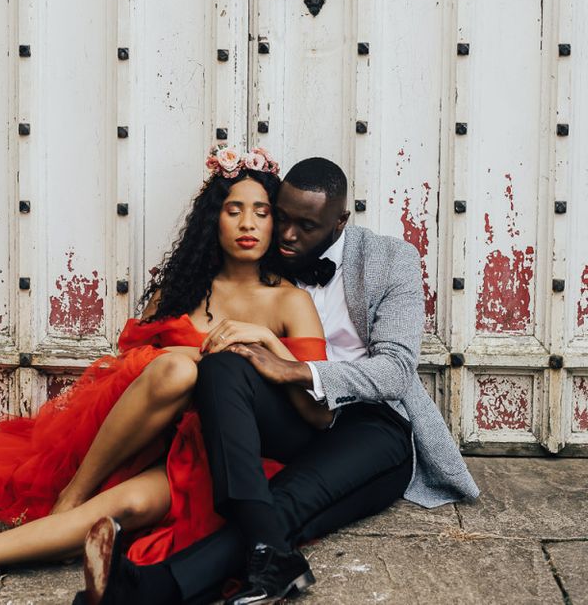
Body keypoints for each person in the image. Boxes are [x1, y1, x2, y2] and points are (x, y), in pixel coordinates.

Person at [0, 146, 333, 600]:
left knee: (129, 506)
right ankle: (69, 498)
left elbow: (316, 414)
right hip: (146, 437)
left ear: (276, 223)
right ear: (212, 221)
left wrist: (266, 342)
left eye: (261, 212)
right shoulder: (179, 293)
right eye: (233, 210)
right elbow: (133, 371)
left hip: (220, 455)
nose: (247, 224)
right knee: (178, 367)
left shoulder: (290, 302)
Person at [73, 157, 480, 605]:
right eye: (281, 218)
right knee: (223, 365)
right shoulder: (261, 255)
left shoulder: (390, 260)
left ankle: (146, 591)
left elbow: (397, 370)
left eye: (306, 226)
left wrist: (298, 367)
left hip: (367, 426)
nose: (287, 235)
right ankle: (263, 562)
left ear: (340, 221)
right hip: (292, 416)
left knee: (283, 504)